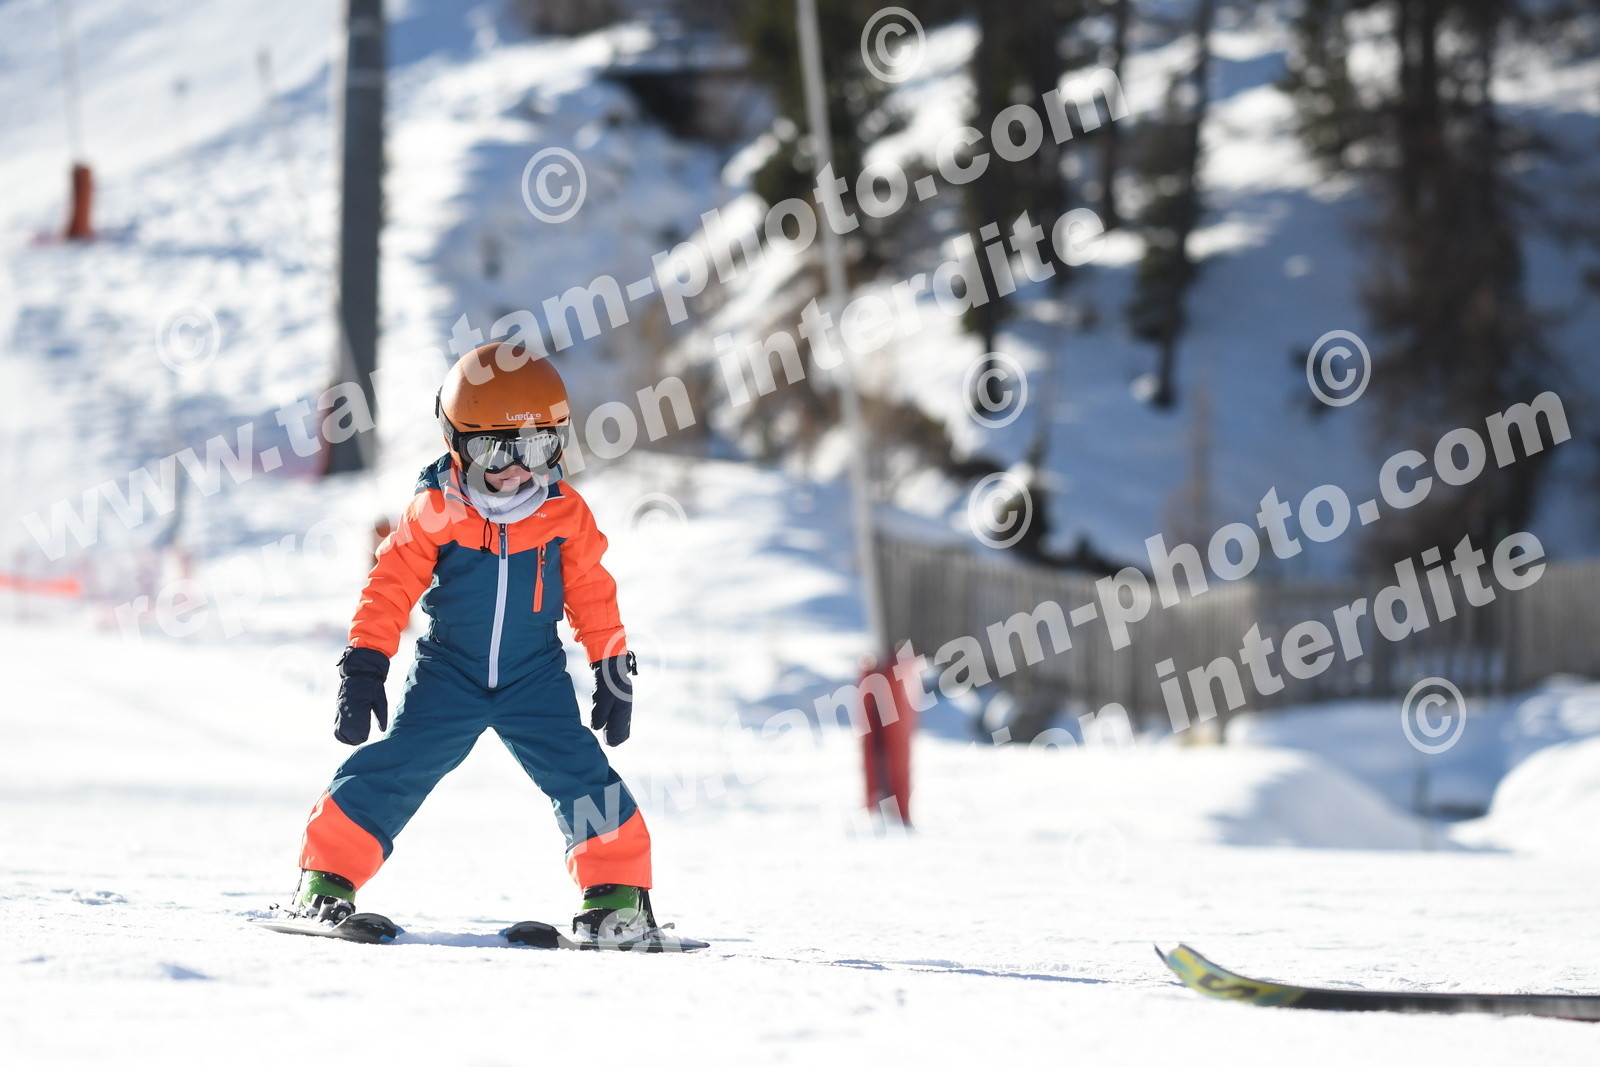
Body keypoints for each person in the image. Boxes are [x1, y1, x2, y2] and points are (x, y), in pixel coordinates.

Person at [287, 342, 655, 945]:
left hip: (534, 676)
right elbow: (390, 587)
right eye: (494, 450)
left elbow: (592, 592)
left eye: (535, 448)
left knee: (581, 774)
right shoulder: (435, 510)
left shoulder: (564, 513)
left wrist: (611, 664)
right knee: (396, 766)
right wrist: (365, 664)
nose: (515, 470)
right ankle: (325, 881)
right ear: (456, 444)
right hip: (448, 673)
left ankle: (617, 896)